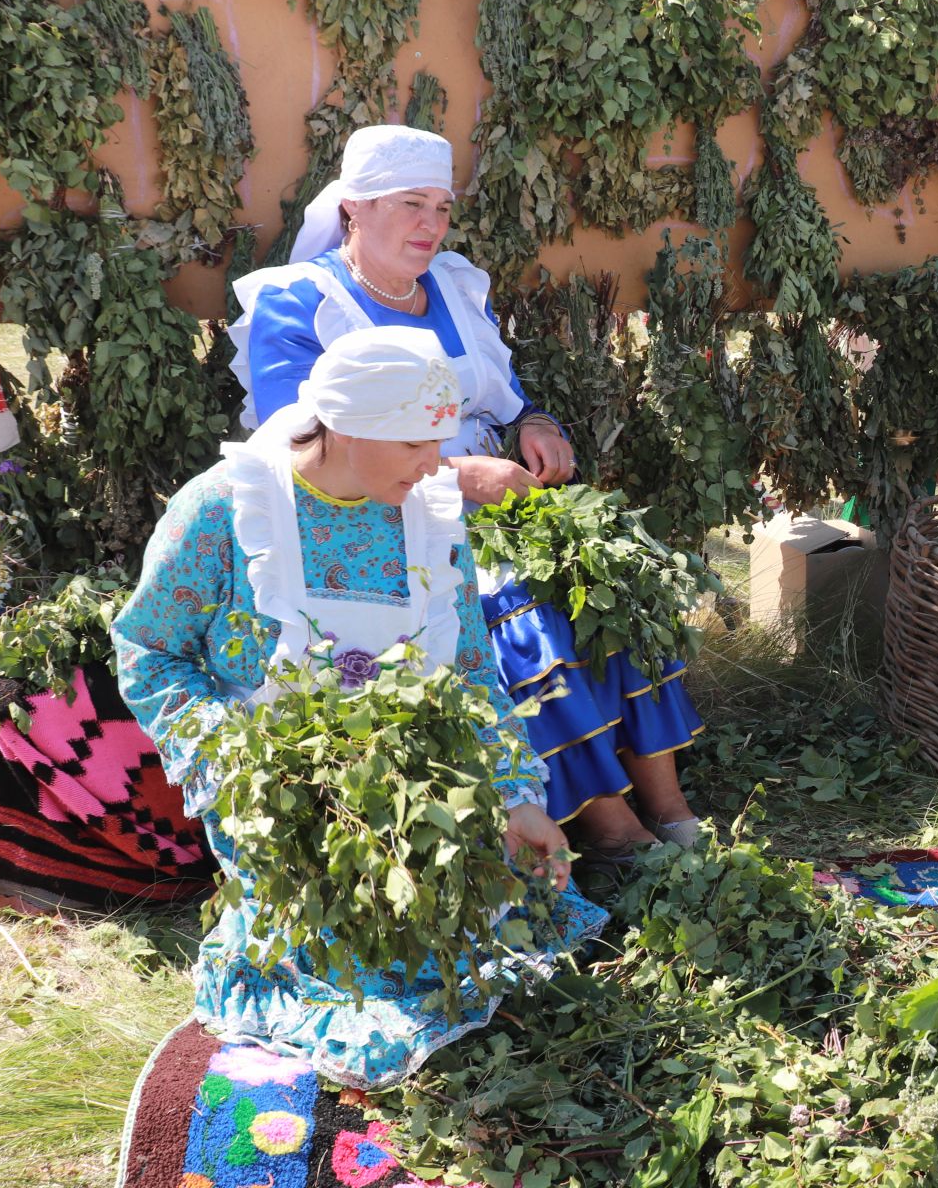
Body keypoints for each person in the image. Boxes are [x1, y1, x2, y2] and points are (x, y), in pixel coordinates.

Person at [112, 328, 606, 1088]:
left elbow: (471, 674)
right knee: (355, 964)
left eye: (437, 441)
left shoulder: (430, 513)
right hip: (277, 782)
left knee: (453, 919)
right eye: (412, 442)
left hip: (411, 778)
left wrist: (513, 798)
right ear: (344, 427)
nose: (433, 462)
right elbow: (150, 648)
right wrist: (238, 764)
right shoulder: (227, 507)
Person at [229, 125, 706, 857]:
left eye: (442, 208)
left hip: (496, 499)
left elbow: (507, 396)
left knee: (611, 582)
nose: (430, 225)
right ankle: (612, 826)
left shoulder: (452, 285)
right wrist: (459, 479)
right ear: (353, 207)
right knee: (525, 609)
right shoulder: (299, 303)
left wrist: (534, 425)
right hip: (383, 513)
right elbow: (304, 446)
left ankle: (669, 804)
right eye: (410, 203)